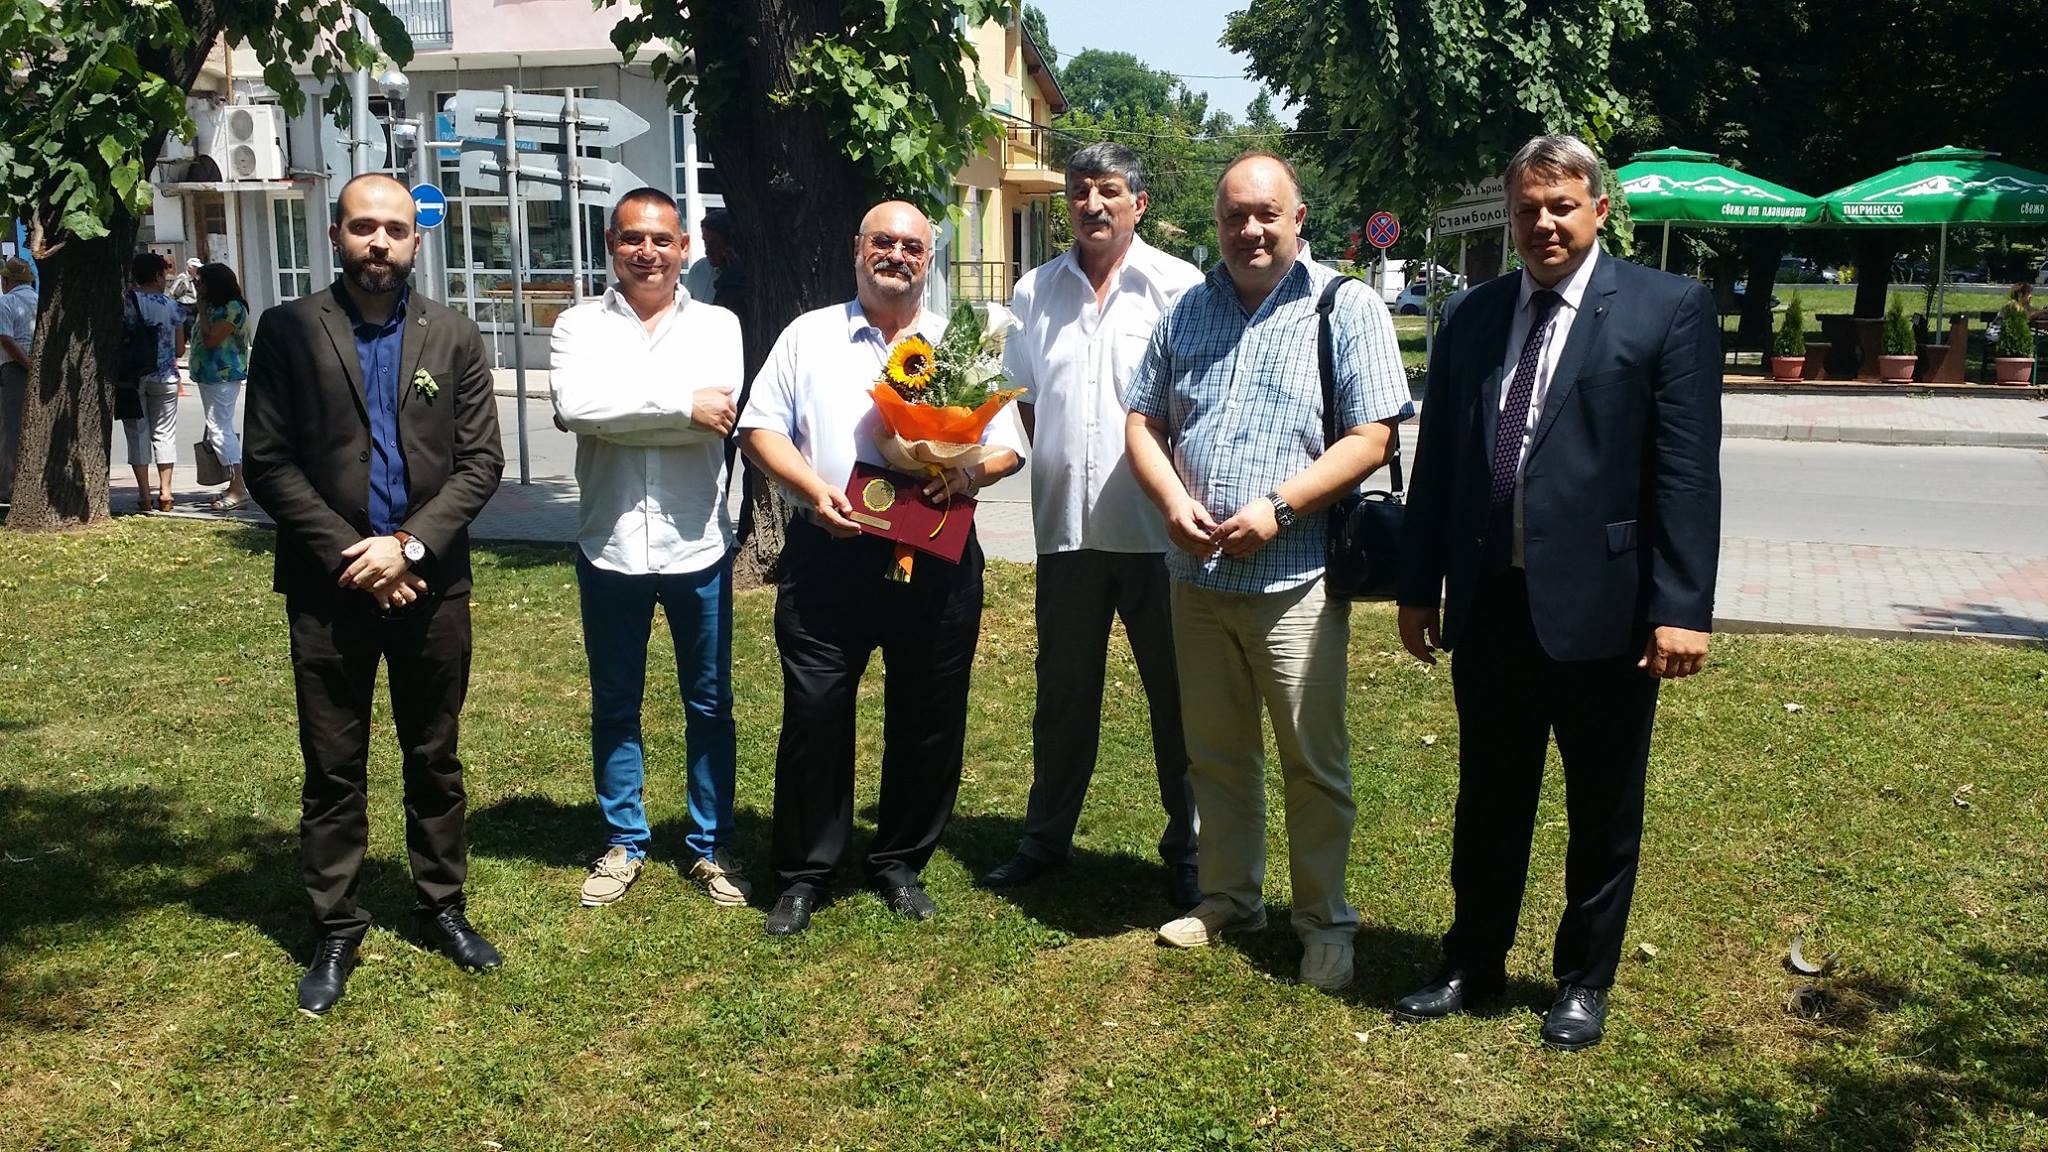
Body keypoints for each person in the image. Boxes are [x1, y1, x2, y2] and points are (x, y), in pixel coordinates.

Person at [1392, 135, 1722, 1050]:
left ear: (1599, 209)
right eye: (1528, 208)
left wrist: (1681, 608)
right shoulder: (1473, 314)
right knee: (1488, 798)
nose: (1544, 223)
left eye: (1562, 206)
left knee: (1602, 806)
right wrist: (1419, 585)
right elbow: (1440, 464)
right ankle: (1472, 961)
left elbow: (1687, 474)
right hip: (1491, 601)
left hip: (1607, 610)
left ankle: (1582, 980)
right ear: (1511, 215)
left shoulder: (1667, 308)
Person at [1123, 152, 1411, 992]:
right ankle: (1229, 897)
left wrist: (1279, 509)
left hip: (1296, 581)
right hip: (1198, 580)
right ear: (1217, 223)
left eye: (1265, 214)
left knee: (1311, 765)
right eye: (1233, 216)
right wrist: (1172, 501)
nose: (1249, 230)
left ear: (1298, 218)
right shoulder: (1189, 309)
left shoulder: (1343, 306)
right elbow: (1141, 421)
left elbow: (1374, 436)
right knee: (1215, 756)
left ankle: (1325, 922)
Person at [244, 173, 506, 1014]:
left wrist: (407, 547)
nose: (379, 243)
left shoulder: (453, 335)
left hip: (432, 581)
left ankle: (443, 906)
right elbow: (268, 462)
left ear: (416, 240)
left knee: (435, 755)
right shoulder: (288, 329)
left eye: (394, 229)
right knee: (332, 765)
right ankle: (335, 926)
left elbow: (481, 462)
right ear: (336, 235)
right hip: (329, 588)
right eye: (363, 227)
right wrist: (354, 556)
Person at [736, 199, 1027, 936]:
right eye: (883, 242)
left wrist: (966, 475)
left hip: (935, 552)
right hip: (829, 550)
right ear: (857, 248)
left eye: (912, 246)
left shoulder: (961, 342)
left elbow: (1009, 445)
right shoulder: (809, 335)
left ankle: (899, 860)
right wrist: (812, 490)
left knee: (929, 715)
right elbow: (759, 429)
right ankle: (804, 873)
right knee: (815, 712)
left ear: (929, 260)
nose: (896, 255)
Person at [977, 143, 1206, 906]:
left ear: (1139, 202)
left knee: (1179, 701)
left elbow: (1197, 405)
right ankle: (1045, 840)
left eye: (1109, 190)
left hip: (1159, 535)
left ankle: (1191, 849)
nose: (1092, 204)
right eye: (1080, 191)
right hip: (1066, 534)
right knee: (1062, 700)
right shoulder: (1035, 290)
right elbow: (1024, 403)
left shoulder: (1179, 286)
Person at [549, 188, 749, 910]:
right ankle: (623, 841)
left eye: (662, 240)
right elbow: (575, 407)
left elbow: (717, 414)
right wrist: (676, 405)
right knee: (614, 702)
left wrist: (625, 408)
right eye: (633, 238)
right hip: (609, 544)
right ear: (611, 244)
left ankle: (709, 843)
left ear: (684, 248)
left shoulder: (719, 325)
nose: (648, 252)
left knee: (710, 704)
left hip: (697, 544)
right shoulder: (577, 324)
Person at [187, 263, 253, 511]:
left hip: (222, 376)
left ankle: (239, 488)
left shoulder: (232, 308)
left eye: (201, 281)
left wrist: (202, 312)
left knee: (219, 429)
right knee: (219, 427)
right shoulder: (214, 306)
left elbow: (211, 339)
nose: (198, 286)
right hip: (208, 375)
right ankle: (233, 485)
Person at [122, 252, 184, 513]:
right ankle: (166, 492)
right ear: (158, 275)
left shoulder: (127, 301)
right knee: (165, 433)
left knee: (137, 433)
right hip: (166, 376)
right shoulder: (172, 305)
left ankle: (144, 494)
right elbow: (179, 349)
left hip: (133, 376)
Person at [0, 256, 36, 506]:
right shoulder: (40, 301)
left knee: (11, 430)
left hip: (15, 370)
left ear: (7, 280)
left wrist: (28, 366)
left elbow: (6, 339)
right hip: (40, 369)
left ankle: (9, 487)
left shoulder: (7, 302)